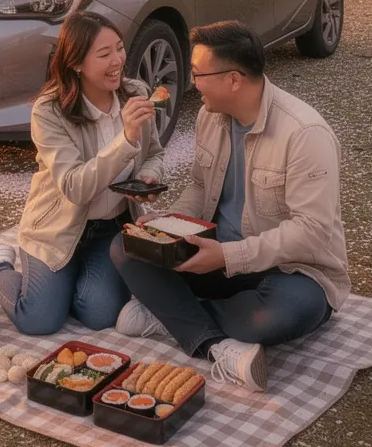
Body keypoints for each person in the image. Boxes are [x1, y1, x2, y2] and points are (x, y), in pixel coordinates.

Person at [112, 22, 349, 393]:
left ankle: (171, 314)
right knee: (125, 247)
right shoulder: (211, 115)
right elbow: (202, 187)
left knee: (272, 319)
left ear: (234, 79)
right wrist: (165, 224)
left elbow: (312, 233)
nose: (192, 84)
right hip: (217, 252)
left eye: (198, 74)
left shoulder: (304, 134)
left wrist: (227, 256)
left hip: (292, 270)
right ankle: (215, 345)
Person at [0, 11, 164, 333]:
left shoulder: (135, 91)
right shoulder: (49, 111)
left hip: (110, 228)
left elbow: (154, 152)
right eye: (104, 54)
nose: (117, 60)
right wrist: (126, 139)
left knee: (99, 314)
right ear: (76, 63)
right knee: (39, 320)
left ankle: (67, 282)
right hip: (56, 229)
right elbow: (75, 187)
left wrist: (149, 177)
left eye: (120, 48)